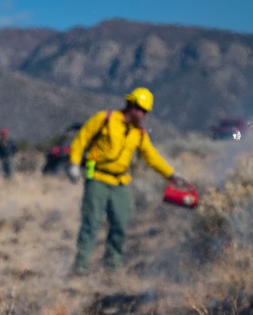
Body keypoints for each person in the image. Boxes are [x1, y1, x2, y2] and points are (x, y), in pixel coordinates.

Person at [67, 87, 183, 275]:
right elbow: (82, 138)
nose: (144, 115)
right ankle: (80, 267)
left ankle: (113, 267)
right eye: (142, 110)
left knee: (120, 223)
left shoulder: (140, 134)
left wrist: (171, 174)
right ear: (132, 106)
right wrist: (73, 163)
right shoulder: (105, 119)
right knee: (92, 223)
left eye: (146, 112)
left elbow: (151, 157)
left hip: (120, 183)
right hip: (97, 178)